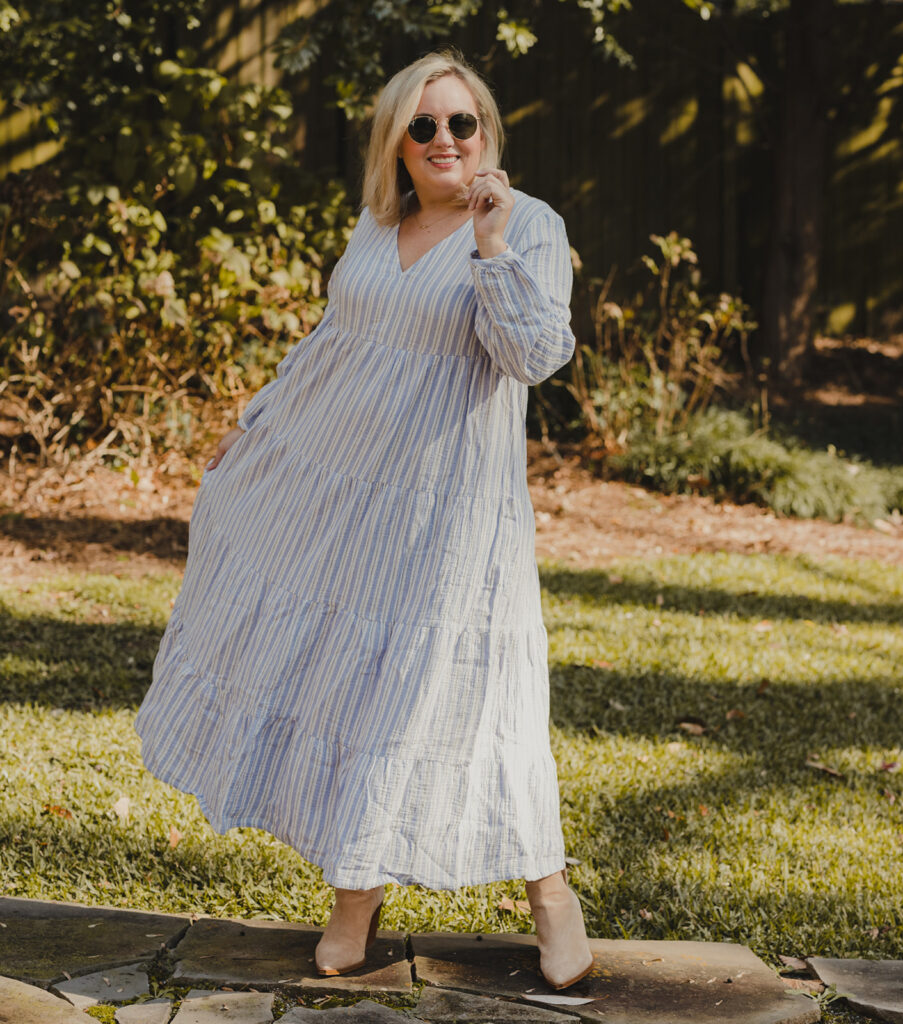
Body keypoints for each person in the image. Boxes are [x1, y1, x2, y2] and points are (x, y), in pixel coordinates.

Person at [133, 49, 594, 990]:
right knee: (360, 692)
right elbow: (332, 346)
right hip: (345, 499)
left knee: (466, 703)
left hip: (450, 514)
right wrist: (254, 429)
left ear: (486, 133)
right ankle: (356, 898)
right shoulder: (377, 225)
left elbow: (536, 354)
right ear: (396, 141)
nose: (443, 141)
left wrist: (492, 245)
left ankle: (550, 896)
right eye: (422, 127)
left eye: (460, 123)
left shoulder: (528, 226)